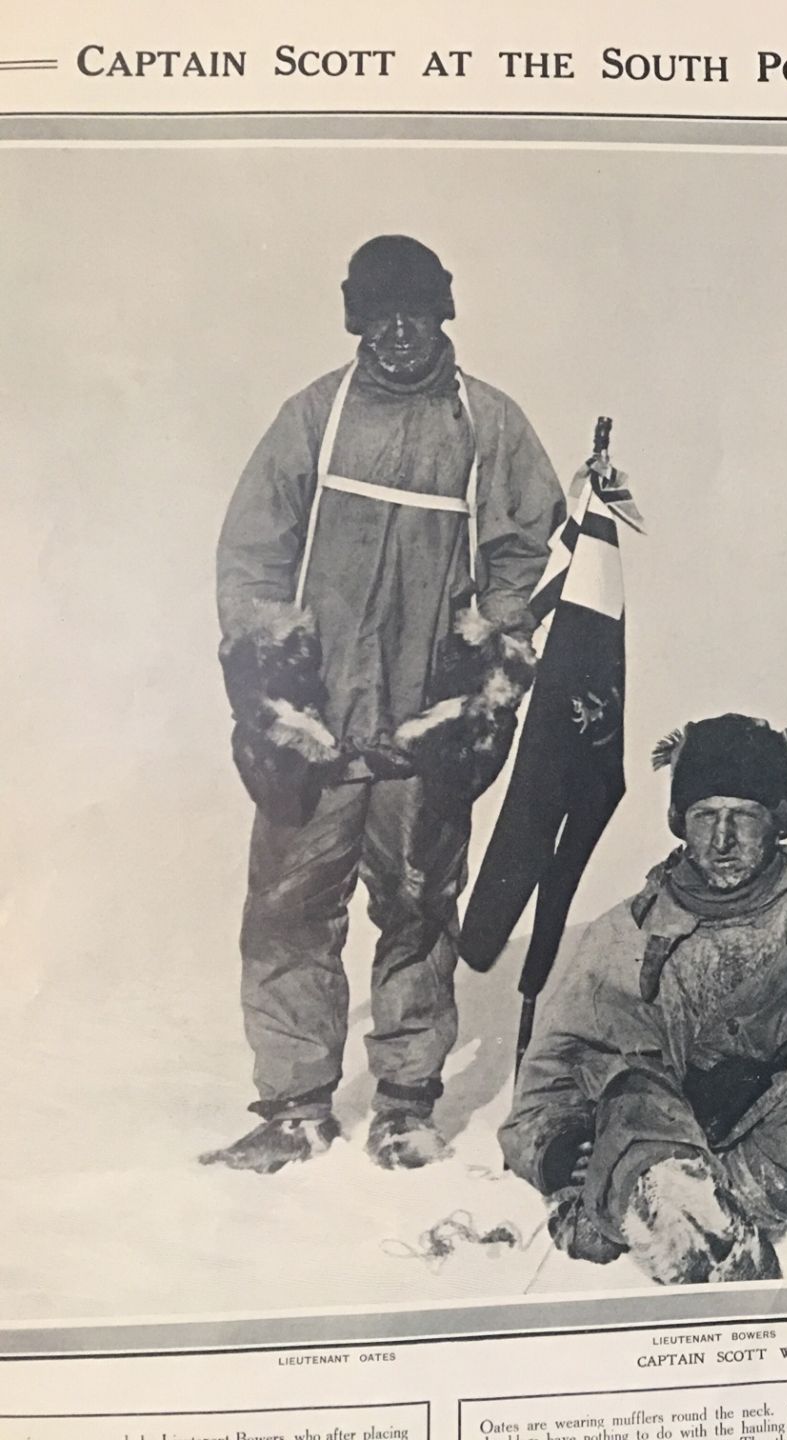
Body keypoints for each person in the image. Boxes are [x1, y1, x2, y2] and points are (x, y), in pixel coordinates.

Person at [204, 234, 564, 1174]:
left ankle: (406, 1103)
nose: (400, 333)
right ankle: (293, 1106)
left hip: (422, 727)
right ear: (358, 319)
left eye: (417, 312)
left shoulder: (488, 426)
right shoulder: (314, 418)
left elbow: (527, 553)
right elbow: (252, 552)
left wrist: (486, 660)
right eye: (380, 314)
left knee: (416, 909)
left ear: (443, 314)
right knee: (288, 910)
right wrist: (274, 684)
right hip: (317, 730)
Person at [499, 714, 787, 1284]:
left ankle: (682, 1211)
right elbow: (552, 1075)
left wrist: (737, 1061)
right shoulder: (627, 933)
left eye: (743, 816)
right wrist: (561, 1149)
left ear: (779, 822)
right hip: (666, 1133)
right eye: (704, 816)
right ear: (679, 824)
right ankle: (679, 1208)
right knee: (627, 1087)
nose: (722, 840)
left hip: (781, 1131)